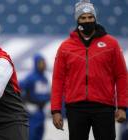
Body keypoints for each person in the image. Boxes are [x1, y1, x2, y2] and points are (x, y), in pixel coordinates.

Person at [51, 0, 127, 140]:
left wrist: (122, 106)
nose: (87, 21)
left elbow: (121, 75)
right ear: (77, 20)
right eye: (83, 18)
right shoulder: (65, 47)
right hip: (76, 108)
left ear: (95, 18)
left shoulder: (111, 43)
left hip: (104, 106)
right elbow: (58, 79)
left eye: (90, 17)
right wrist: (55, 110)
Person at [19, 54, 50, 140]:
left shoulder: (45, 78)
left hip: (42, 111)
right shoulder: (30, 78)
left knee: (40, 134)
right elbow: (18, 90)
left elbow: (47, 94)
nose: (43, 64)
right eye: (40, 62)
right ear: (36, 63)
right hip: (32, 112)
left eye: (44, 62)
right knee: (31, 135)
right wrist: (25, 104)